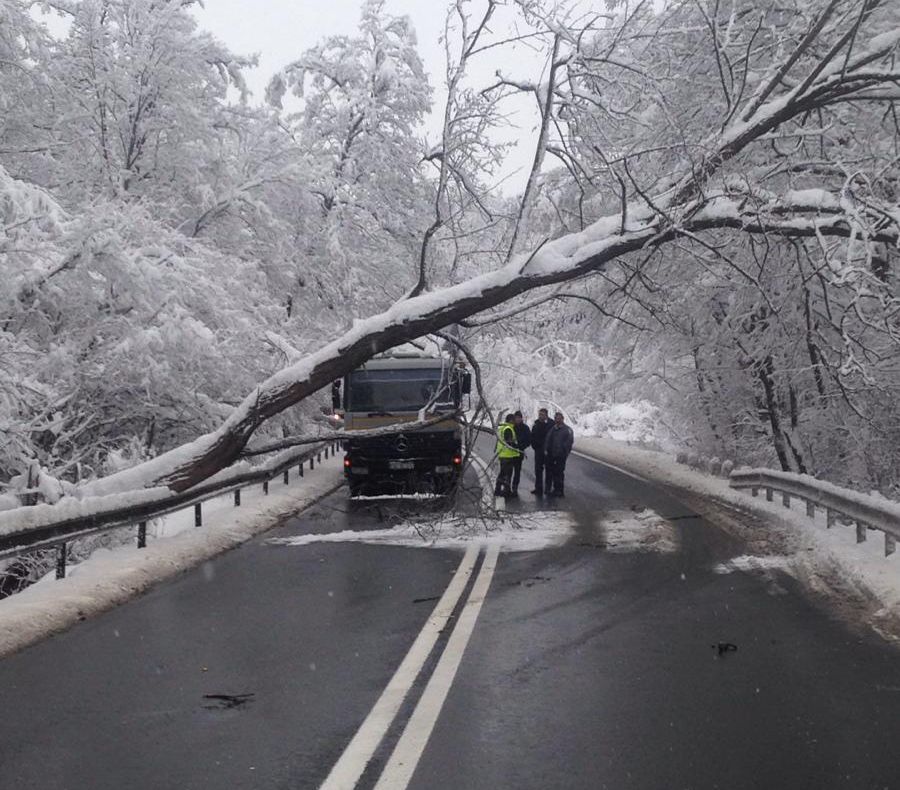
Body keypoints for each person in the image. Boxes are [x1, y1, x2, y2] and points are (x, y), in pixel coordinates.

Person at [544, 411, 574, 498]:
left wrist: (564, 452)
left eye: (559, 418)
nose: (557, 420)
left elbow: (569, 442)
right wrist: (546, 449)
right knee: (553, 472)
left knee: (559, 472)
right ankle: (555, 489)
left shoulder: (567, 430)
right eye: (556, 418)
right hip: (552, 455)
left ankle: (560, 490)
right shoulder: (553, 429)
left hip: (561, 455)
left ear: (562, 419)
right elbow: (548, 440)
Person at [494, 413, 521, 497]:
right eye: (514, 420)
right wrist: (517, 446)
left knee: (503, 473)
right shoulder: (508, 429)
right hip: (507, 455)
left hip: (503, 454)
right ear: (511, 420)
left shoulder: (502, 427)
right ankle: (504, 491)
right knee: (506, 474)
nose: (515, 421)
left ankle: (499, 489)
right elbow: (509, 442)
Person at [530, 408, 552, 496]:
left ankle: (548, 488)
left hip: (548, 451)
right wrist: (534, 445)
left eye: (542, 414)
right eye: (540, 414)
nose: (540, 416)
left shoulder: (551, 425)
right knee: (538, 470)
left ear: (546, 415)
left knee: (549, 470)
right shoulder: (536, 425)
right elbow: (532, 436)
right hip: (538, 450)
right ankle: (538, 488)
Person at [510, 411, 531, 497]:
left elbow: (528, 440)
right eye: (516, 418)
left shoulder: (525, 428)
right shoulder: (511, 427)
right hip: (509, 453)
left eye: (519, 418)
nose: (517, 419)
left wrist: (521, 446)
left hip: (519, 453)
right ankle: (507, 488)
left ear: (521, 418)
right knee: (508, 472)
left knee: (517, 472)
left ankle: (515, 488)